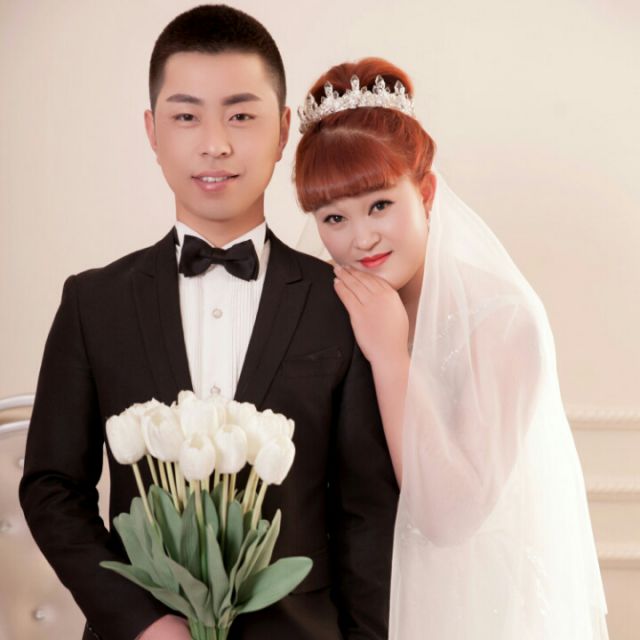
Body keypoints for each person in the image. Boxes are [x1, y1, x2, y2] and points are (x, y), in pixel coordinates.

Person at [19, 9, 398, 640]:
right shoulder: (92, 302)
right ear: (152, 131)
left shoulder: (344, 302)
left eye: (241, 116)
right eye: (187, 116)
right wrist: (141, 622)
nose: (215, 143)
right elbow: (52, 488)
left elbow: (368, 513)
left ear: (283, 130)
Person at [294, 57, 609, 639]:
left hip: (470, 612)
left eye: (380, 204)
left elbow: (448, 517)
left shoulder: (503, 320)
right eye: (334, 217)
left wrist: (392, 357)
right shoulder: (334, 309)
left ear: (426, 191)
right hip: (355, 611)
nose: (361, 237)